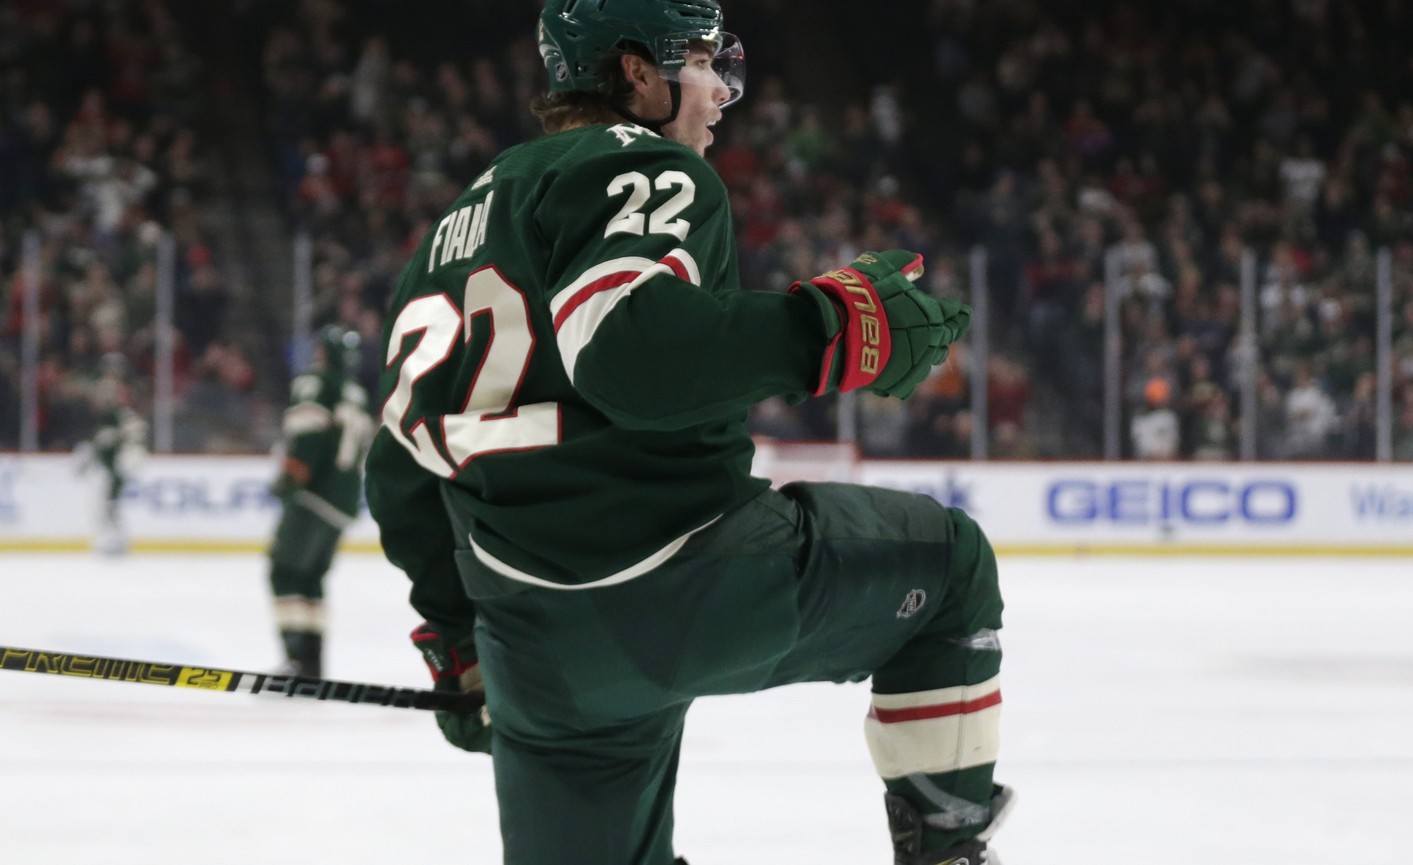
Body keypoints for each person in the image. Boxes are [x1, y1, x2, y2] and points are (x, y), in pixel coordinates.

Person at [363, 2, 1010, 862]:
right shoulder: (647, 165)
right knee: (947, 564)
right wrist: (826, 330)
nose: (720, 91)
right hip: (688, 579)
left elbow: (398, 467)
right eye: (703, 63)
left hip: (536, 649)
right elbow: (625, 353)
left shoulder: (456, 226)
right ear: (636, 74)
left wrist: (457, 642)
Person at [267, 325, 372, 677]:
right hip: (343, 502)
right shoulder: (357, 393)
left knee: (285, 572)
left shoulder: (316, 382)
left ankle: (296, 658)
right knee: (312, 579)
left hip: (314, 494)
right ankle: (312, 662)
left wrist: (292, 474)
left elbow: (307, 431)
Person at [75, 354, 146, 555]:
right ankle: (111, 538)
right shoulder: (99, 418)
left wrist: (130, 447)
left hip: (115, 467)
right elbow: (94, 442)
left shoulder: (122, 414)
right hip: (104, 467)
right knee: (102, 505)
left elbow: (135, 431)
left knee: (110, 503)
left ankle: (117, 539)